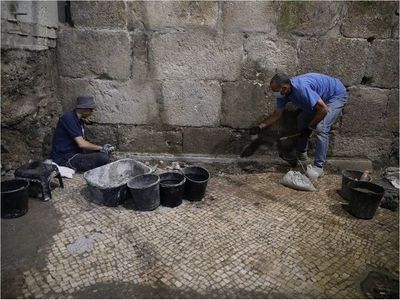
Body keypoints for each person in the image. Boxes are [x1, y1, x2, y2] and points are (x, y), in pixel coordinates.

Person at [250, 73, 348, 180]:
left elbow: (324, 109)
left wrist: (310, 127)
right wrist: (259, 127)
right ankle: (302, 154)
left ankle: (319, 167)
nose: (274, 94)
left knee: (321, 128)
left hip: (334, 95)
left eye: (275, 91)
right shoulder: (283, 94)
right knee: (302, 120)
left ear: (284, 88)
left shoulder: (301, 89)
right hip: (318, 99)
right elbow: (277, 114)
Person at [51, 96, 115, 172]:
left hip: (76, 153)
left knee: (102, 154)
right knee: (102, 157)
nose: (92, 112)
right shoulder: (68, 118)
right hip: (66, 158)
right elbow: (82, 144)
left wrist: (101, 149)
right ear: (85, 109)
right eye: (91, 109)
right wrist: (101, 148)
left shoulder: (80, 121)